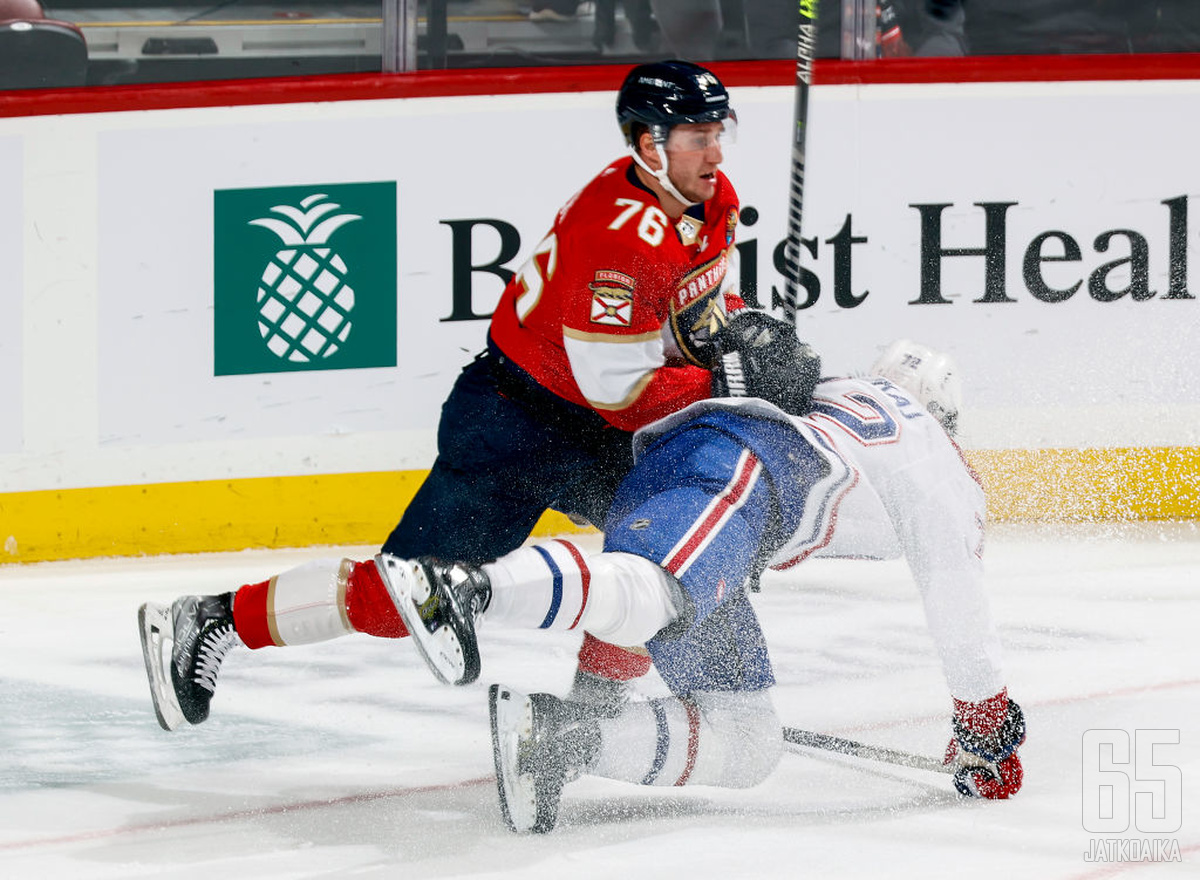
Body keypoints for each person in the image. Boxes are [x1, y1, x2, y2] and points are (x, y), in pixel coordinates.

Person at [138, 60, 779, 731]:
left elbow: (692, 309)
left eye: (717, 132)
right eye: (696, 137)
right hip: (516, 425)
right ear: (651, 145)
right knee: (399, 600)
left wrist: (738, 331)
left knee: (659, 555)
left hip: (589, 429)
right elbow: (619, 391)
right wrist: (725, 381)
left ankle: (588, 719)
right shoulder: (614, 235)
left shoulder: (710, 199)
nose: (714, 151)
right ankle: (212, 619)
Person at [380, 339, 1025, 832]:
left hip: (711, 465)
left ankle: (554, 740)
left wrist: (599, 686)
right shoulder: (940, 462)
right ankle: (468, 588)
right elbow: (957, 601)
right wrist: (986, 723)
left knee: (748, 743)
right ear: (948, 416)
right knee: (653, 584)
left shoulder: (842, 390)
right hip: (750, 467)